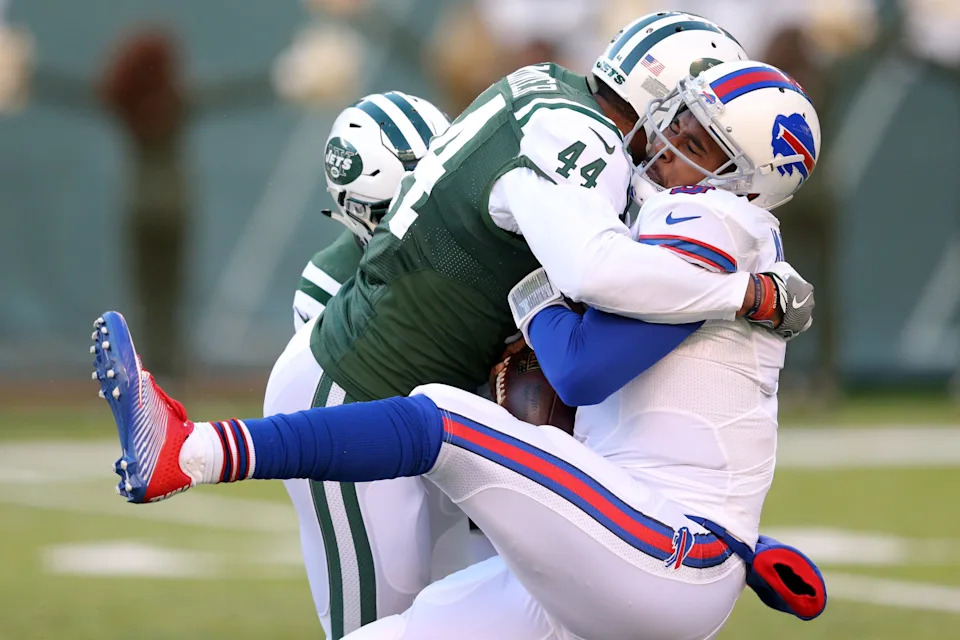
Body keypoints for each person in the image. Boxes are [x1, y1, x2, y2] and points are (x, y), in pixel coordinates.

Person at [98, 11, 816, 638]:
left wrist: (742, 542)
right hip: (369, 389)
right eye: (682, 116)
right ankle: (190, 452)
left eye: (699, 132)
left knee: (462, 578)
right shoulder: (591, 143)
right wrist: (746, 294)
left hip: (438, 409)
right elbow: (593, 277)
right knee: (386, 620)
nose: (673, 138)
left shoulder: (578, 118)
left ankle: (194, 451)